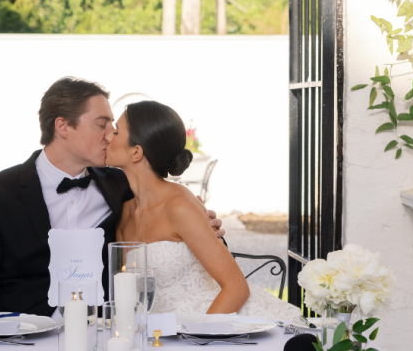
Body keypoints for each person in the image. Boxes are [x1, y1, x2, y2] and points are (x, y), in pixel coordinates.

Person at [0, 78, 224, 316]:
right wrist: (3, 339)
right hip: (26, 337)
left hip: (109, 331)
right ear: (63, 126)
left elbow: (167, 217)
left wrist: (205, 225)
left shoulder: (122, 185)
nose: (110, 135)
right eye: (101, 124)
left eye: (113, 126)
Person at [106, 100, 302, 320]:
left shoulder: (179, 205)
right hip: (161, 337)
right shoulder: (123, 214)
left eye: (115, 132)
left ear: (136, 152)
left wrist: (198, 339)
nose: (107, 136)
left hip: (217, 323)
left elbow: (237, 288)